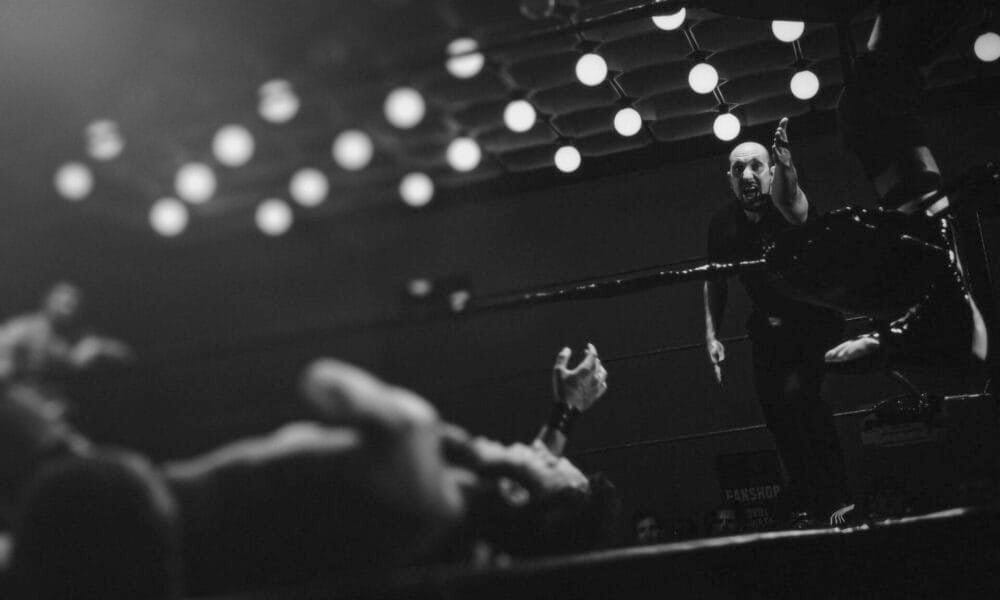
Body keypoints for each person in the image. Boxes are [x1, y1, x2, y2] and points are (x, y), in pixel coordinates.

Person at [703, 118, 850, 527]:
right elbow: (715, 280)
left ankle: (837, 496)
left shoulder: (783, 203)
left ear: (768, 173)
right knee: (777, 415)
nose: (747, 175)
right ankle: (807, 495)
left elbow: (796, 205)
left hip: (815, 321)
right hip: (769, 330)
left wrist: (786, 166)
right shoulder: (723, 224)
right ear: (729, 179)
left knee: (804, 401)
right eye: (738, 169)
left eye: (756, 166)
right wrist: (711, 334)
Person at [829, 0, 989, 367]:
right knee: (918, 197)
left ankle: (948, 312)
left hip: (884, 88)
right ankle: (947, 310)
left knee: (918, 197)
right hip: (886, 87)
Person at [0, 282, 134, 418]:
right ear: (48, 301)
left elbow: (125, 355)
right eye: (64, 303)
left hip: (62, 408)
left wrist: (101, 347)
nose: (69, 308)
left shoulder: (77, 335)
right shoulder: (22, 330)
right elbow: (5, 375)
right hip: (23, 410)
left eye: (74, 304)